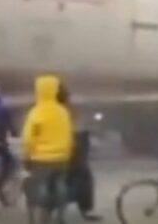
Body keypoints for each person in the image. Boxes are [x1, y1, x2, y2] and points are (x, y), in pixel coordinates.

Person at [21, 75, 74, 219]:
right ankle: (61, 215)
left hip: (41, 159)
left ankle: (43, 218)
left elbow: (28, 138)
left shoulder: (36, 112)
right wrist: (66, 153)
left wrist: (27, 155)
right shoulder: (63, 112)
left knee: (42, 187)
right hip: (62, 158)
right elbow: (69, 135)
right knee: (60, 185)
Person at [57, 84, 101, 222]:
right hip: (65, 154)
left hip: (43, 156)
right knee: (84, 177)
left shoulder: (39, 110)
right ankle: (85, 210)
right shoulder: (68, 111)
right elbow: (76, 132)